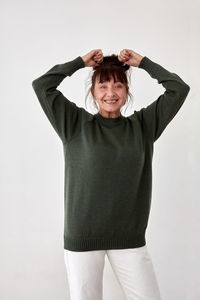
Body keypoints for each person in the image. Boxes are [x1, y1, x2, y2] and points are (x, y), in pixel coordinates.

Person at [32, 49, 190, 300]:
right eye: (102, 85)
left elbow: (179, 89)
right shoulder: (73, 124)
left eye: (118, 86)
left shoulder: (143, 126)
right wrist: (80, 63)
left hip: (129, 236)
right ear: (93, 92)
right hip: (82, 235)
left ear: (126, 92)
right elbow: (42, 85)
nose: (110, 93)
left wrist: (143, 63)